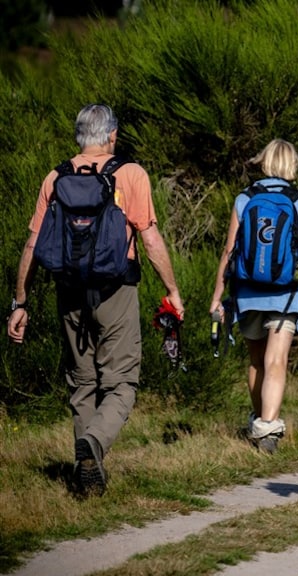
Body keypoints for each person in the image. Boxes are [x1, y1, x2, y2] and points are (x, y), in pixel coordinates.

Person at [7, 103, 185, 497]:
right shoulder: (131, 174)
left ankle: (86, 477)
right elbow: (150, 238)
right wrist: (171, 290)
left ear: (78, 137)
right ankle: (95, 443)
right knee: (122, 382)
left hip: (68, 290)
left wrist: (20, 302)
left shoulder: (55, 177)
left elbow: (34, 243)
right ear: (112, 136)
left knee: (82, 382)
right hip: (116, 289)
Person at [209, 139, 298, 454]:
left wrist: (217, 298)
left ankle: (259, 421)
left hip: (247, 293)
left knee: (256, 361)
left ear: (264, 162)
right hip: (285, 294)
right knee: (276, 360)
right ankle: (268, 429)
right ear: (292, 166)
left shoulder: (244, 199)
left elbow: (229, 252)